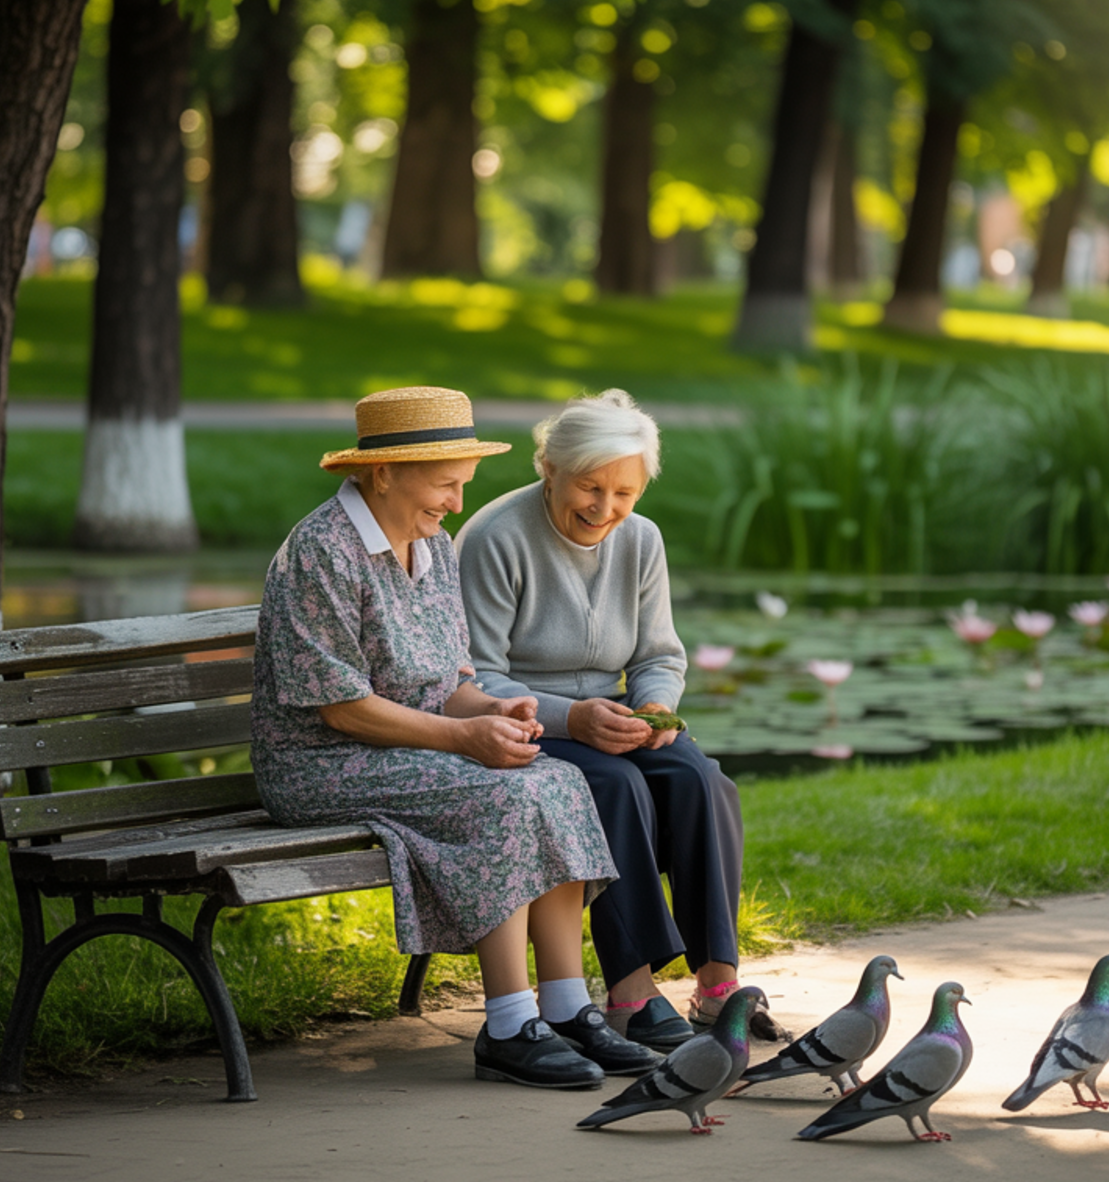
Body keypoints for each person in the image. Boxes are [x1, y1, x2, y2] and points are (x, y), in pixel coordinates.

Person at [250, 386, 659, 1089]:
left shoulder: (431, 546)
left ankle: (565, 1007)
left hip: (401, 749)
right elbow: (340, 710)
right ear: (385, 473)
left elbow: (452, 679)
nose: (457, 505)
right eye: (446, 485)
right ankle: (507, 1023)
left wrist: (497, 713)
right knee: (496, 796)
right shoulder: (321, 551)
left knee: (556, 780)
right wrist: (462, 737)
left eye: (462, 485)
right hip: (322, 763)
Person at [455, 389, 783, 1047]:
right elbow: (474, 676)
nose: (606, 510)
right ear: (549, 468)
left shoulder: (641, 540)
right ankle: (631, 991)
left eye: (625, 493)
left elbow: (660, 653)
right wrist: (571, 718)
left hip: (610, 716)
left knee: (701, 779)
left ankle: (718, 984)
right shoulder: (495, 537)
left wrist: (656, 709)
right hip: (522, 724)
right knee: (615, 785)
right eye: (590, 488)